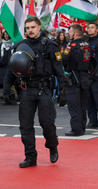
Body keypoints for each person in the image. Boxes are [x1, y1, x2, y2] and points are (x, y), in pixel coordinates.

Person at [3, 17, 67, 168]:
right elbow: (11, 70)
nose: (30, 30)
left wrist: (63, 90)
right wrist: (6, 89)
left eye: (33, 27)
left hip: (44, 89)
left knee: (47, 123)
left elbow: (59, 70)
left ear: (39, 27)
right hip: (26, 89)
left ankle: (52, 145)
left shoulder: (50, 46)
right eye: (27, 28)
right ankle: (30, 157)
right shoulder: (19, 46)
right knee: (25, 126)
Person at [62, 24, 92, 136]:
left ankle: (76, 129)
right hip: (85, 77)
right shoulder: (87, 45)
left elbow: (64, 60)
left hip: (74, 78)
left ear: (75, 34)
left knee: (74, 105)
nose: (68, 34)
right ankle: (82, 127)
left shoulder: (71, 46)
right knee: (82, 105)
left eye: (70, 32)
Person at [0, 31, 14, 105]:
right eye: (4, 34)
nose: (6, 36)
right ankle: (7, 97)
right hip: (2, 66)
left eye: (7, 34)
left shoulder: (13, 44)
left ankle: (11, 97)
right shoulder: (2, 44)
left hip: (10, 65)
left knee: (10, 82)